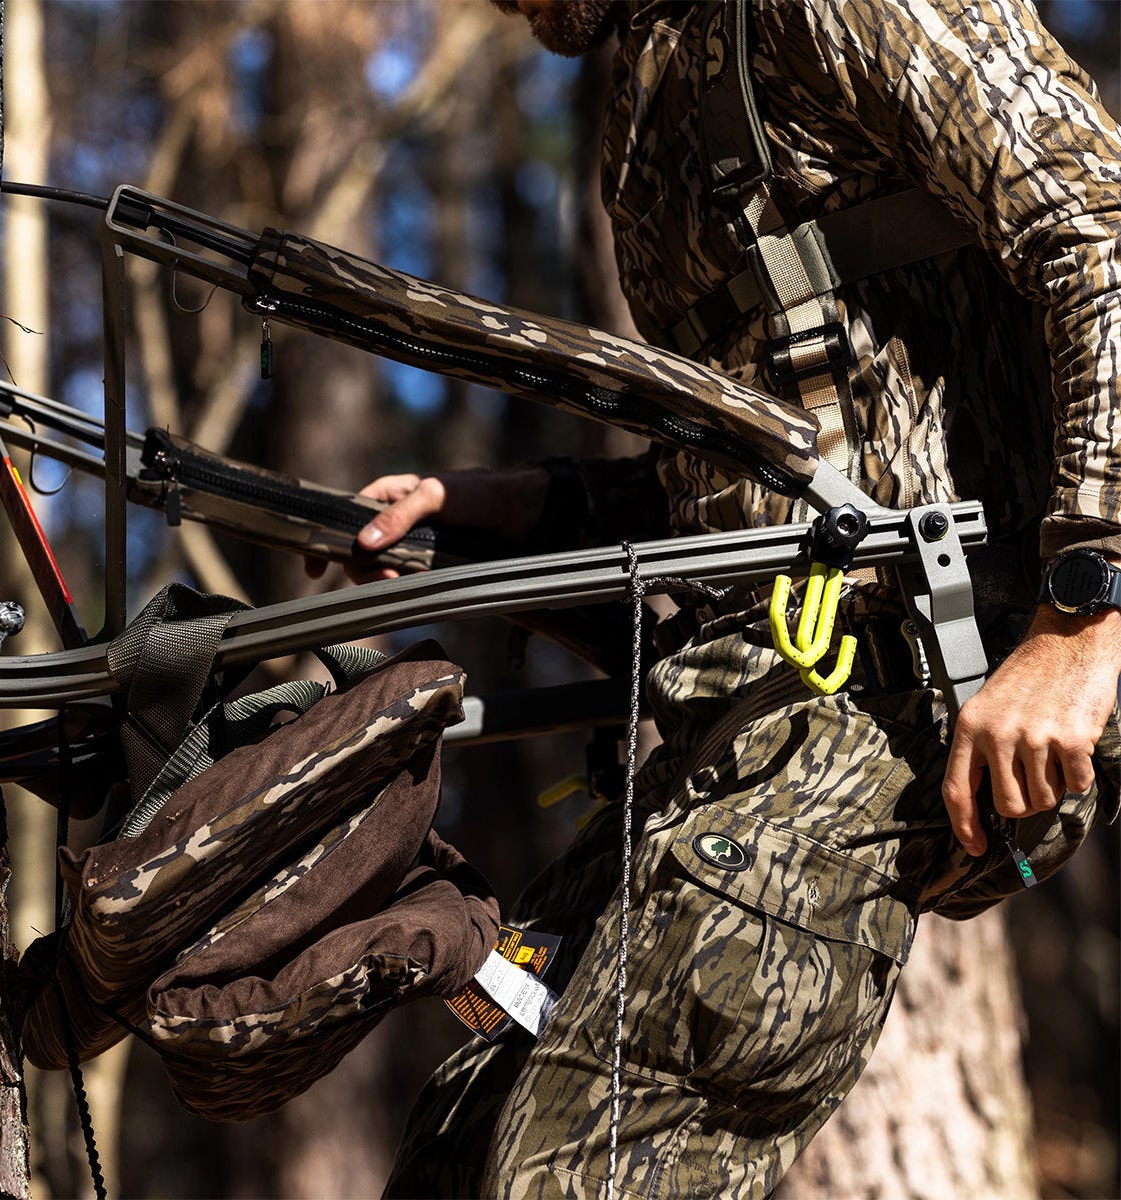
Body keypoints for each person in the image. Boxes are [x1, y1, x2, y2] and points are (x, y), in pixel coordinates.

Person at [340, 2, 1121, 1195]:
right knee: (465, 1136)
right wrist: (512, 506)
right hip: (736, 725)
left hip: (899, 690)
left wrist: (1085, 611)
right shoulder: (656, 73)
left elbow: (1104, 234)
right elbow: (777, 465)